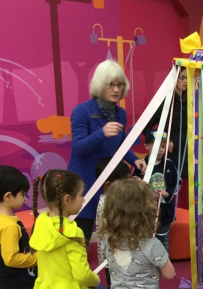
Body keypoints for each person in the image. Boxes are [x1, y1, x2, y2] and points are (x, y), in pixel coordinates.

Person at [67, 59, 146, 243]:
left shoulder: (121, 114)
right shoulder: (82, 111)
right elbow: (78, 147)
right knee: (80, 240)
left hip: (109, 185)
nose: (116, 90)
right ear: (99, 85)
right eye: (111, 84)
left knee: (115, 239)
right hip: (84, 184)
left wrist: (134, 159)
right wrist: (101, 133)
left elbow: (121, 144)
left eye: (120, 84)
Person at [95, 157, 131, 289]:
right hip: (113, 258)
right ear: (109, 185)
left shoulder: (109, 199)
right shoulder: (109, 204)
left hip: (113, 256)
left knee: (119, 288)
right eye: (124, 182)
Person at [143, 66, 188, 208]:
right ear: (173, 78)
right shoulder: (164, 101)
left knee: (186, 193)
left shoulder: (192, 101)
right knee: (168, 192)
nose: (186, 81)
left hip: (189, 154)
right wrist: (164, 140)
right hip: (170, 156)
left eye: (188, 78)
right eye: (182, 77)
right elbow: (146, 126)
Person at [132, 131, 180, 252]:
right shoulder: (141, 165)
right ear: (146, 146)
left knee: (163, 240)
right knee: (146, 240)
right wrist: (143, 189)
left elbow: (177, 183)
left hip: (164, 212)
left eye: (163, 146)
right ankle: (149, 267)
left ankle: (164, 268)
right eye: (156, 146)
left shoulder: (169, 164)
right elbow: (132, 186)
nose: (160, 150)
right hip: (146, 212)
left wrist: (167, 193)